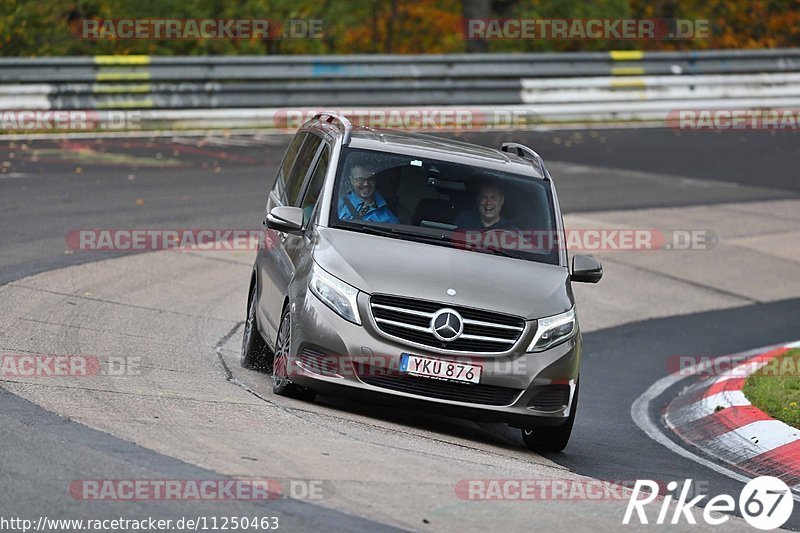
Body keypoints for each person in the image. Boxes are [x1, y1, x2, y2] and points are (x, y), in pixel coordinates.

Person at [453, 183, 517, 230]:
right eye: (484, 197)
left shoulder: (511, 232)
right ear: (478, 200)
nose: (488, 202)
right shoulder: (464, 220)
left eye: (493, 197)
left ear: (502, 200)